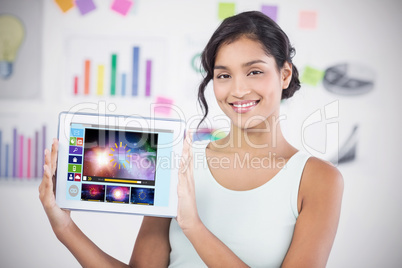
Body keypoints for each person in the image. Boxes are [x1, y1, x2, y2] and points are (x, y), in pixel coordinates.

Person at [39, 11, 343, 267]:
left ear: (285, 74)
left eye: (254, 72)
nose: (237, 90)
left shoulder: (318, 179)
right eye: (223, 75)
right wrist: (64, 226)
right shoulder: (179, 162)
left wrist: (193, 226)